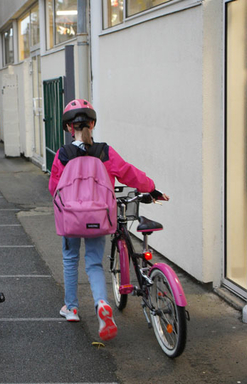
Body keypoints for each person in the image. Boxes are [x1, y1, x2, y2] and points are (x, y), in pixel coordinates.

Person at [48, 99, 169, 341]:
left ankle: (71, 308)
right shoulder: (105, 152)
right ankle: (101, 303)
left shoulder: (63, 154)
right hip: (99, 217)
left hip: (71, 218)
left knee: (70, 259)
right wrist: (152, 187)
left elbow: (54, 188)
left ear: (69, 128)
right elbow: (129, 173)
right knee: (94, 263)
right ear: (92, 124)